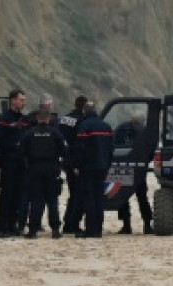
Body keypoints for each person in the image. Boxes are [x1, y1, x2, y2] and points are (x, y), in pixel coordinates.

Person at [70, 101, 115, 237]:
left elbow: (80, 148)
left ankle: (91, 230)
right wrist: (108, 164)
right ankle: (99, 229)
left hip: (88, 167)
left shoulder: (84, 126)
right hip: (102, 167)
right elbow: (111, 148)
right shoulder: (106, 126)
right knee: (99, 198)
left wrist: (76, 165)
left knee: (89, 198)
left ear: (84, 111)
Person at [22, 106, 67, 239]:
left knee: (36, 201)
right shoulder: (55, 133)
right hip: (51, 168)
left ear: (36, 118)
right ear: (49, 118)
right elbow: (64, 151)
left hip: (34, 168)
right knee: (52, 200)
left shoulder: (30, 133)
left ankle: (33, 230)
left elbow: (22, 151)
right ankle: (55, 230)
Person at [0, 89, 30, 234]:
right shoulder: (4, 118)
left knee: (18, 194)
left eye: (24, 100)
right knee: (7, 193)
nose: (23, 102)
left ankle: (13, 224)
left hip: (21, 162)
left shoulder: (24, 119)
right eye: (21, 100)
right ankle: (2, 225)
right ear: (13, 100)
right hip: (8, 161)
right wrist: (15, 145)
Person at [113, 113, 153, 234]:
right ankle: (140, 225)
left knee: (129, 197)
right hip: (135, 167)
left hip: (128, 167)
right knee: (135, 197)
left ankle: (132, 225)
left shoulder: (122, 129)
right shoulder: (145, 132)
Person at [59, 95, 88, 234]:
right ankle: (72, 223)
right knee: (78, 194)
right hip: (77, 161)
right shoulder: (82, 121)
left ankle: (68, 222)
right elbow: (81, 144)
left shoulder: (64, 119)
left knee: (73, 192)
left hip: (66, 159)